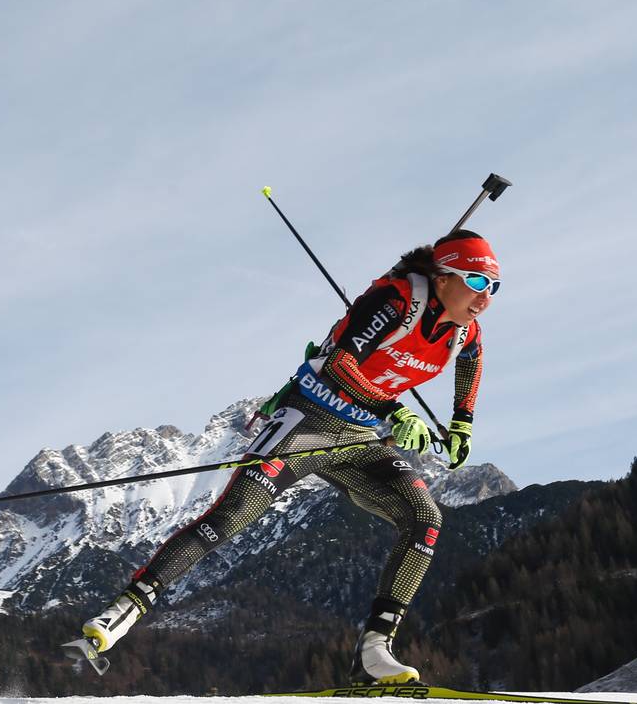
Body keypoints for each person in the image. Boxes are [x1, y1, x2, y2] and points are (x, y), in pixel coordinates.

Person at [77, 230, 500, 685]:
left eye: (493, 288)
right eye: (476, 283)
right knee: (230, 519)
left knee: (424, 518)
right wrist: (395, 411)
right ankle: (120, 613)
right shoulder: (395, 301)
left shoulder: (465, 331)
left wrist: (462, 424)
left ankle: (374, 652)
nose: (485, 298)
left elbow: (471, 364)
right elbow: (340, 364)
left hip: (359, 438)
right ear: (441, 278)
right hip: (307, 421)